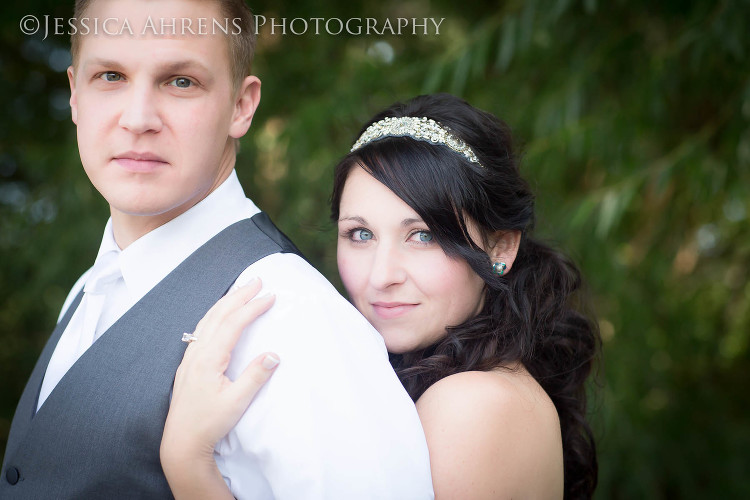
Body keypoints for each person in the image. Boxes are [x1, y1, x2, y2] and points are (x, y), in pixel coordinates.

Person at [0, 0, 434, 498]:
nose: (138, 118)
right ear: (75, 94)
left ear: (241, 106)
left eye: (181, 81)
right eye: (111, 76)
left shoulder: (289, 317)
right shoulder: (91, 286)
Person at [163, 93, 601, 499]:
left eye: (423, 236)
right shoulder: (469, 381)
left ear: (500, 247)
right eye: (361, 234)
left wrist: (188, 462)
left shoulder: (472, 403)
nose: (381, 275)